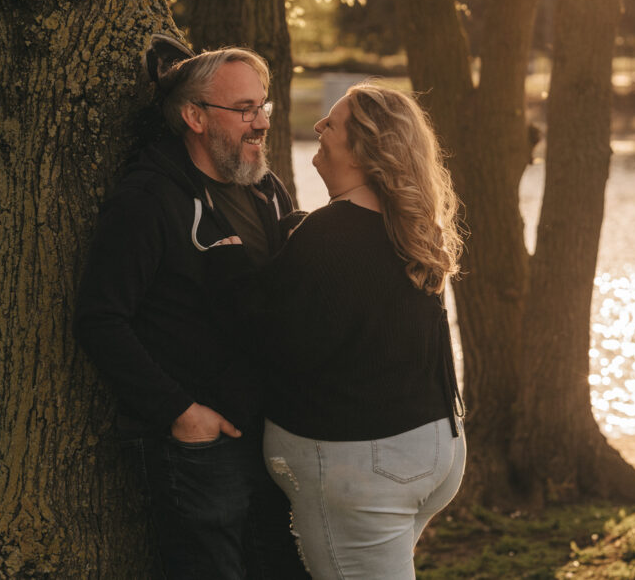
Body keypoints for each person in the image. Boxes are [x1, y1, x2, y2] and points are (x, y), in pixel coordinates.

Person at [75, 36, 306, 579]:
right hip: (201, 449)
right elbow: (100, 319)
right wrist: (181, 412)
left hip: (271, 436)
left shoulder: (268, 190)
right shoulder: (149, 199)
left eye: (262, 107)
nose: (262, 123)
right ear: (194, 117)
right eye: (244, 109)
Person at [255, 83, 467, 579]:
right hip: (435, 449)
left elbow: (269, 345)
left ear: (362, 149)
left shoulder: (324, 238)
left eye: (331, 124)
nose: (318, 129)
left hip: (365, 465)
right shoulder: (414, 228)